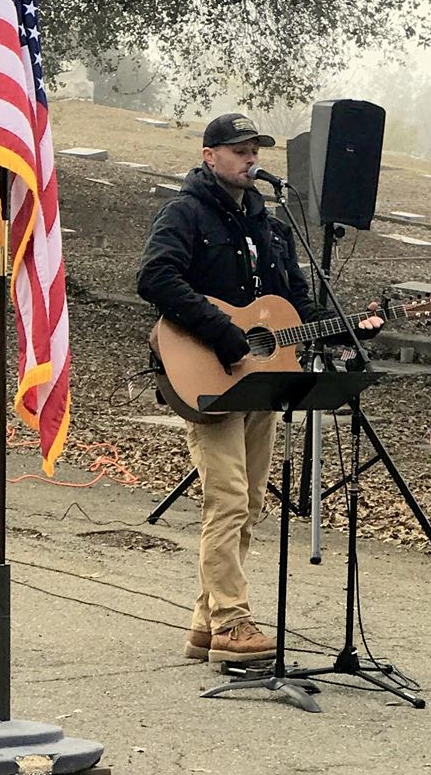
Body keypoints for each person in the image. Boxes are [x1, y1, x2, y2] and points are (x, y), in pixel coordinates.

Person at [136, 111, 314, 669]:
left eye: (255, 149)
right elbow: (156, 278)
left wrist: (344, 327)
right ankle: (233, 621)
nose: (251, 158)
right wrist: (226, 334)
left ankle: (204, 623)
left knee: (251, 502)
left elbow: (293, 299)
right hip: (207, 375)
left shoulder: (270, 224)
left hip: (259, 379)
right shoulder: (185, 212)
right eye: (239, 150)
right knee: (229, 499)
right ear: (209, 156)